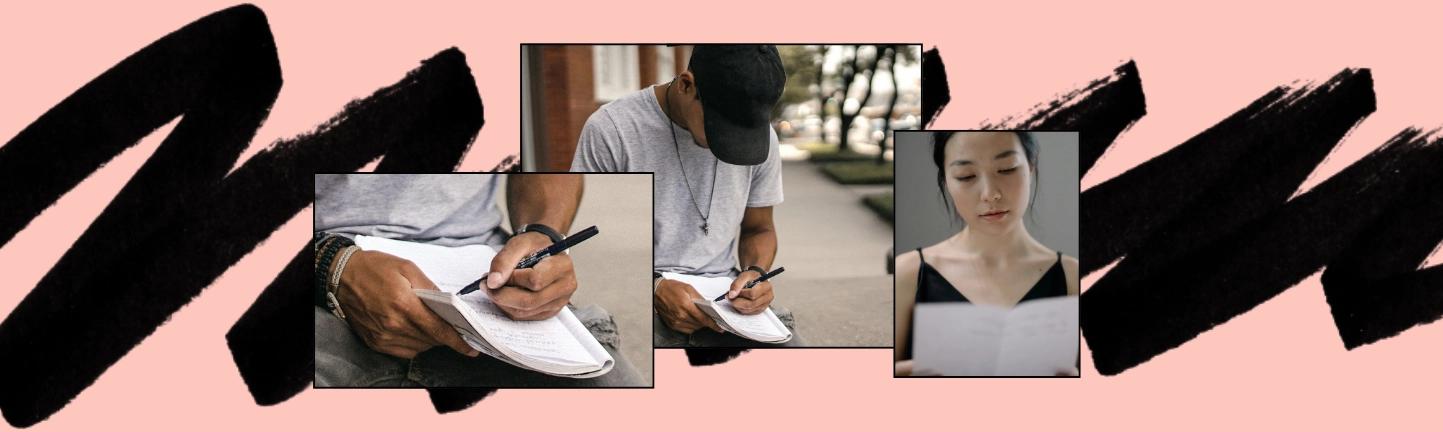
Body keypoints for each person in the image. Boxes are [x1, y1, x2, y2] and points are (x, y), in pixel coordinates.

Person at [312, 173, 644, 386]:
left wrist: (543, 233)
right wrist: (330, 264)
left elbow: (544, 155)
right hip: (331, 267)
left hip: (481, 268)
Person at [570, 45, 802, 347]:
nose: (733, 144)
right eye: (722, 127)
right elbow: (589, 241)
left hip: (724, 300)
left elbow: (760, 228)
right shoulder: (612, 130)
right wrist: (653, 287)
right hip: (637, 294)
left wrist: (756, 273)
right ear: (686, 85)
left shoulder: (762, 139)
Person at [894, 131, 1079, 376]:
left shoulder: (1074, 277)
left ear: (1031, 167)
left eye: (1007, 169)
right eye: (966, 176)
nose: (990, 194)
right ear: (946, 181)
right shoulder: (909, 273)